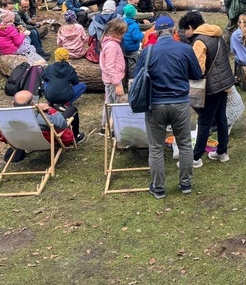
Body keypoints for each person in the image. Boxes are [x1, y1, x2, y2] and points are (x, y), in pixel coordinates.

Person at [139, 14, 203, 198]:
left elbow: (138, 77)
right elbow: (197, 74)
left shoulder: (148, 51)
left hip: (156, 104)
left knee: (156, 147)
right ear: (174, 31)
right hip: (180, 102)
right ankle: (186, 184)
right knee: (184, 145)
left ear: (156, 32)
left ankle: (158, 188)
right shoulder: (185, 48)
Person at [178, 11, 236, 167]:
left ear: (190, 27)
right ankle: (222, 152)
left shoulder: (199, 41)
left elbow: (199, 68)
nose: (185, 34)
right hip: (224, 83)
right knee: (221, 118)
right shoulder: (216, 34)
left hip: (211, 87)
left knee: (204, 121)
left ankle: (195, 158)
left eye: (185, 30)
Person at [99, 18, 128, 127]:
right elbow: (110, 67)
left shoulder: (108, 42)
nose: (123, 36)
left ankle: (105, 125)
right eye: (121, 34)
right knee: (116, 105)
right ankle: (113, 128)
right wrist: (117, 84)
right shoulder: (112, 46)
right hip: (113, 80)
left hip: (110, 79)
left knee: (109, 103)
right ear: (115, 33)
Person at [120, 4, 143, 80]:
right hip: (132, 49)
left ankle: (122, 79)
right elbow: (136, 37)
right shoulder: (134, 25)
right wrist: (141, 35)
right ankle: (131, 79)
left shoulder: (121, 23)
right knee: (132, 64)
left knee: (123, 64)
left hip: (122, 47)